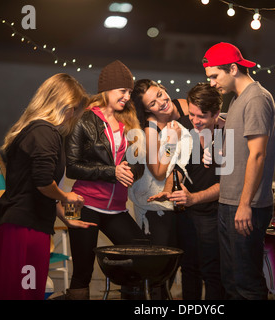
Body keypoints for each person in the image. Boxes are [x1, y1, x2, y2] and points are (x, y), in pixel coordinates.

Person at [0, 73, 94, 300]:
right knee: (25, 293)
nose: (73, 116)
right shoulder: (45, 132)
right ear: (64, 104)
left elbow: (35, 187)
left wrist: (64, 217)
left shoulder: (35, 130)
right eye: (74, 109)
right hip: (26, 228)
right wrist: (67, 197)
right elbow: (43, 182)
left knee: (12, 292)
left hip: (23, 225)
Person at [64, 60, 147, 300]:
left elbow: (135, 165)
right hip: (81, 204)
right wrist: (112, 172)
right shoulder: (84, 119)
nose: (127, 96)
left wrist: (133, 171)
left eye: (129, 92)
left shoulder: (129, 121)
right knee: (82, 271)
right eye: (123, 91)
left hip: (116, 207)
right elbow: (72, 168)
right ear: (107, 90)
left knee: (142, 250)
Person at [202, 42, 275, 300]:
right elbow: (241, 150)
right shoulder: (237, 100)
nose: (211, 83)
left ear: (233, 68)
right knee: (231, 284)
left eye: (215, 76)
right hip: (229, 202)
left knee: (247, 285)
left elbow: (258, 154)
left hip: (247, 205)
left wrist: (245, 204)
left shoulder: (256, 99)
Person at [149, 83, 226, 300]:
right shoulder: (183, 125)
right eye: (191, 114)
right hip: (186, 212)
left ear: (216, 114)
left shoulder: (227, 134)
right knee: (189, 269)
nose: (194, 120)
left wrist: (193, 198)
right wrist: (170, 189)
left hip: (213, 213)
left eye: (201, 116)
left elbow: (226, 185)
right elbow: (178, 167)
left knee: (213, 272)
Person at [129, 79, 189, 247]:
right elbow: (158, 172)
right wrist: (171, 142)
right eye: (153, 103)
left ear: (163, 89)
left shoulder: (183, 105)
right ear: (147, 110)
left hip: (188, 191)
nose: (162, 103)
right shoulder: (151, 129)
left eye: (160, 94)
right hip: (160, 203)